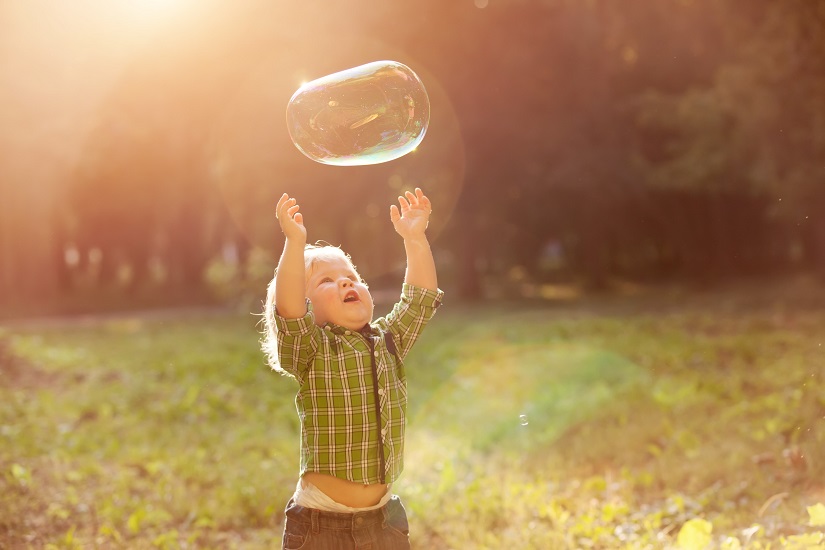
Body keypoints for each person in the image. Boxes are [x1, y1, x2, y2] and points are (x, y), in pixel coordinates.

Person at [262, 187, 444, 549]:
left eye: (350, 276)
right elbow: (290, 310)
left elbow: (419, 300)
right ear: (307, 306)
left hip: (384, 523)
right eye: (325, 281)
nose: (345, 281)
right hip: (320, 526)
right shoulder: (312, 351)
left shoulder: (389, 341)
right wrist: (294, 244)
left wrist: (415, 238)